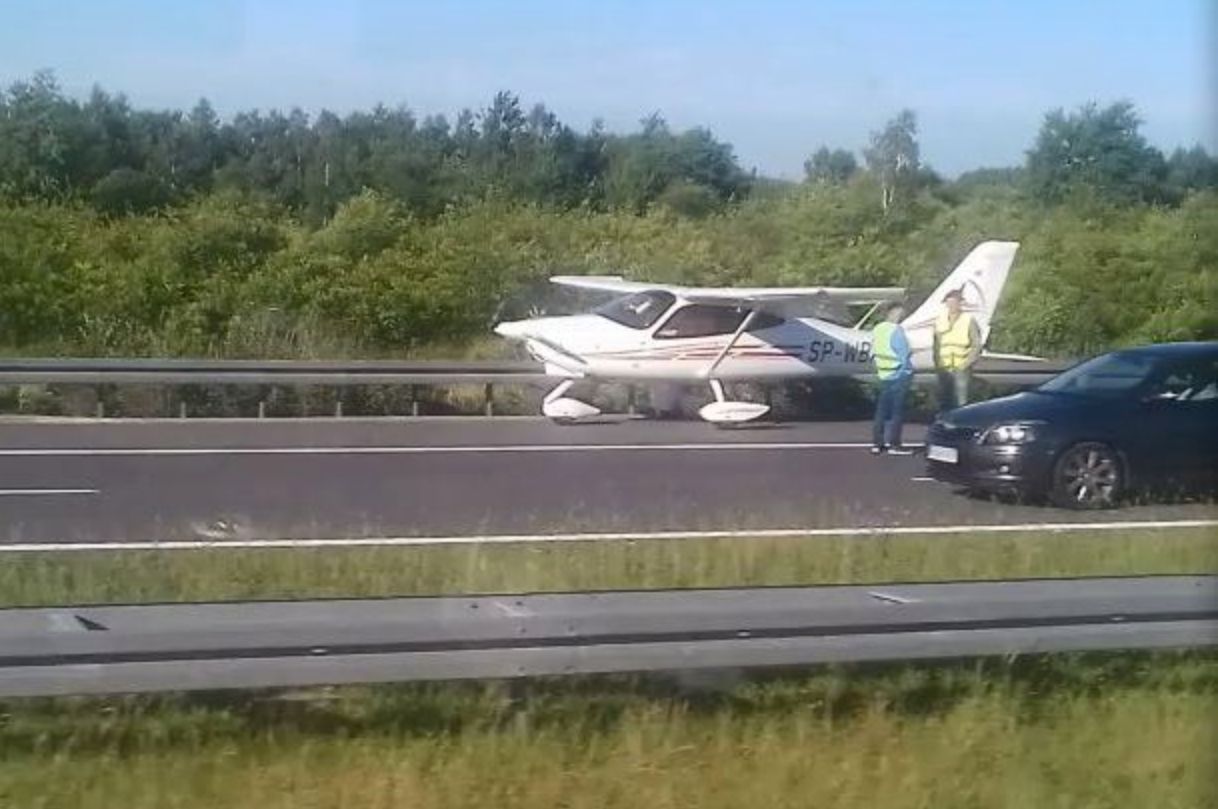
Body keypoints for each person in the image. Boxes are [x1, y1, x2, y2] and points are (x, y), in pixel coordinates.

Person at [870, 303, 914, 455]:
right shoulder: (896, 331)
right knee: (896, 411)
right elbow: (904, 354)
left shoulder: (878, 329)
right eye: (900, 313)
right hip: (898, 374)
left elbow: (873, 351)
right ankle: (894, 444)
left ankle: (877, 443)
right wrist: (907, 372)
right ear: (894, 314)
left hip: (883, 374)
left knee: (881, 411)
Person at [933, 288, 982, 412]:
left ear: (960, 303)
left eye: (955, 302)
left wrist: (967, 363)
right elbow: (936, 344)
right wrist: (938, 364)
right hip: (944, 368)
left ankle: (961, 428)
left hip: (961, 367)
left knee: (962, 403)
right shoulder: (940, 320)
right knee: (944, 400)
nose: (952, 305)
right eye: (949, 303)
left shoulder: (968, 319)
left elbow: (976, 344)